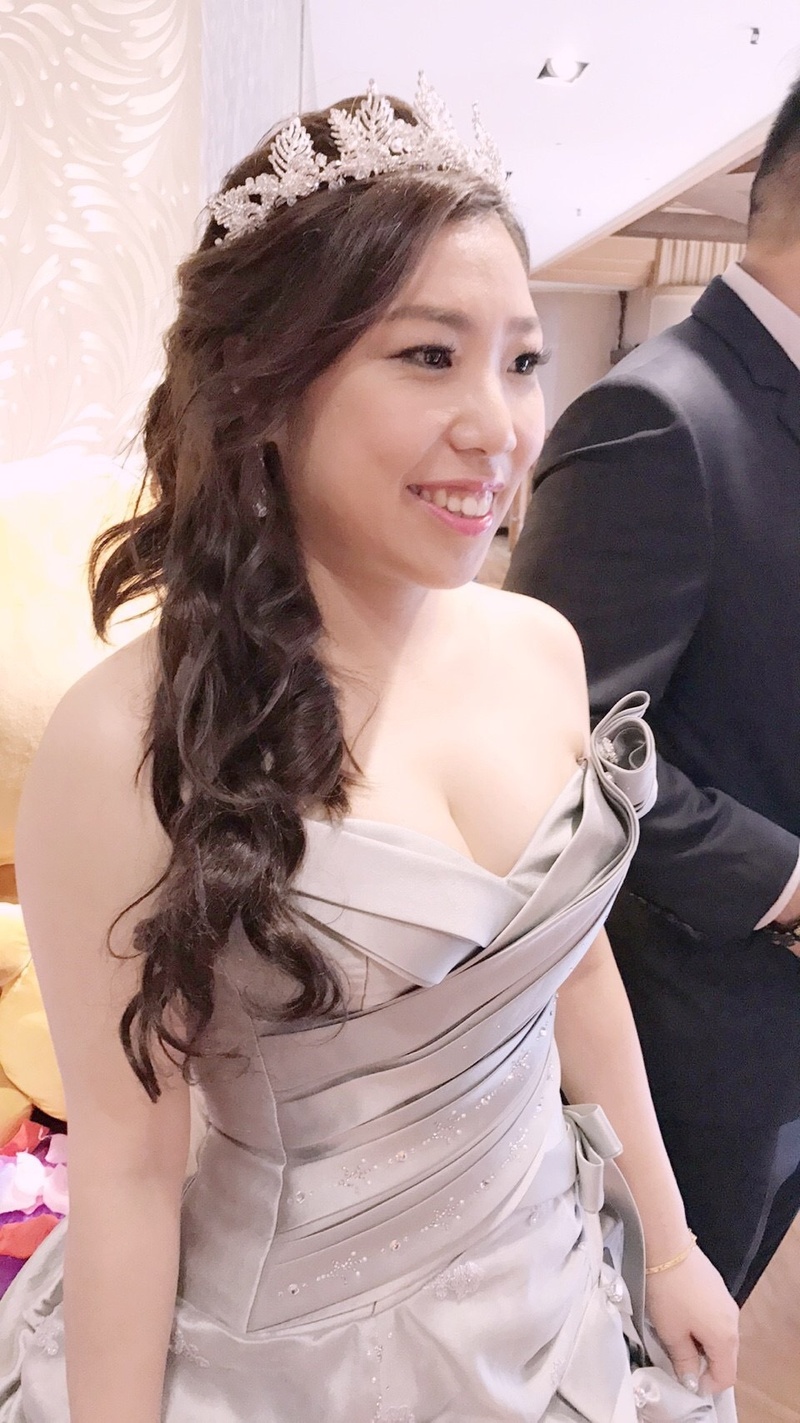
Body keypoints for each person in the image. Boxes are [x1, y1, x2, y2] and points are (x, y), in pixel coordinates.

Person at [0, 81, 737, 1422]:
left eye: (523, 360)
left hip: (554, 1307)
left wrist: (672, 1242)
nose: (499, 425)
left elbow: (569, 970)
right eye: (429, 355)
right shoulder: (123, 742)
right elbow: (127, 1173)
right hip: (290, 1369)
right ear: (264, 384)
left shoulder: (540, 647)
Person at [506, 76, 800, 1308]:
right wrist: (781, 880)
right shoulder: (654, 414)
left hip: (768, 1031)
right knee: (648, 1345)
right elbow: (554, 742)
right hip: (683, 1030)